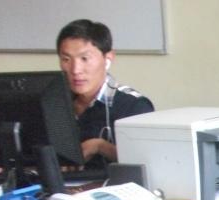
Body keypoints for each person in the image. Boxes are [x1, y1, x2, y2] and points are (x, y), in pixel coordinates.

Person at [56, 19, 154, 167]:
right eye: (66, 59)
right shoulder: (53, 102)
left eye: (85, 59)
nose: (75, 70)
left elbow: (147, 163)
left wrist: (100, 147)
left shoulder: (134, 105)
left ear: (108, 59)